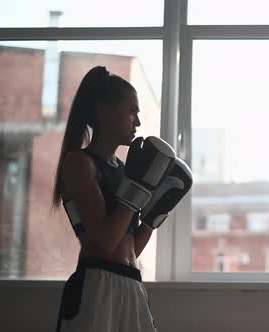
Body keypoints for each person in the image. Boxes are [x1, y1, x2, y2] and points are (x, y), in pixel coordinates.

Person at [51, 66, 192, 332]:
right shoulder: (80, 163)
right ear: (103, 111)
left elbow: (130, 249)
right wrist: (138, 189)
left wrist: (154, 215)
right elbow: (105, 240)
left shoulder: (124, 170)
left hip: (132, 283)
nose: (137, 122)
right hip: (97, 283)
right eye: (131, 111)